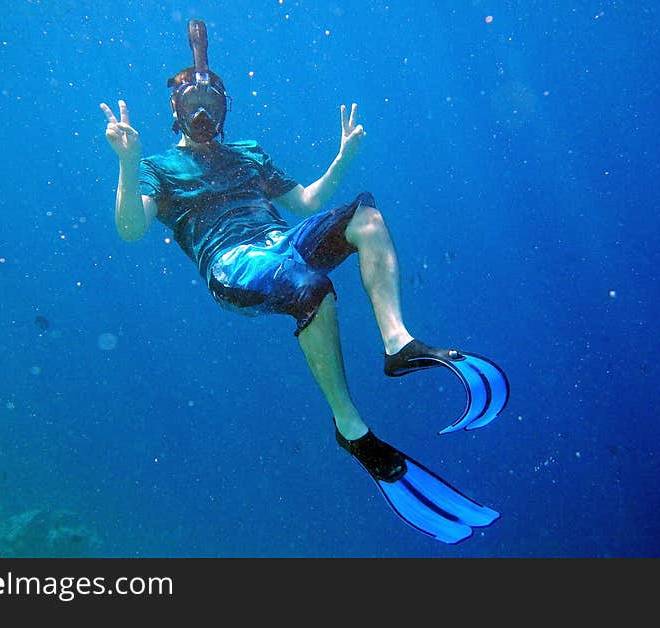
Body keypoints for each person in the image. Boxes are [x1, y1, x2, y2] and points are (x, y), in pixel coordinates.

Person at [100, 20, 509, 543]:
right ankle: (350, 426)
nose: (204, 114)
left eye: (213, 104)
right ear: (175, 110)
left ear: (226, 110)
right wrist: (129, 163)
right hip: (231, 266)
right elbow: (131, 229)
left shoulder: (247, 153)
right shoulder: (158, 166)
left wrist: (341, 161)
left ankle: (398, 343)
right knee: (308, 283)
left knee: (364, 216)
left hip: (280, 241)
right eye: (193, 104)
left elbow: (306, 204)